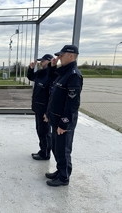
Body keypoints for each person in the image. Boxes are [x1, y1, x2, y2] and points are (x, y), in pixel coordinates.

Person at [44, 45, 83, 187]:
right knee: (56, 147)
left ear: (71, 56)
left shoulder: (73, 75)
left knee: (63, 149)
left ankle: (64, 177)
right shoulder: (64, 72)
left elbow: (72, 103)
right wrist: (52, 67)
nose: (59, 57)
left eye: (62, 55)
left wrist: (64, 123)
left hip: (63, 121)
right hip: (55, 118)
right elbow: (52, 81)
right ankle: (59, 170)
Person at [27, 54, 53, 160]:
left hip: (45, 110)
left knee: (45, 132)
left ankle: (45, 153)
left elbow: (52, 97)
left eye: (43, 61)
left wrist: (48, 112)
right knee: (40, 130)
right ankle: (42, 150)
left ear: (50, 62)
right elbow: (31, 77)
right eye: (40, 61)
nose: (41, 63)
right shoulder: (40, 73)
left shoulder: (51, 75)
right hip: (38, 108)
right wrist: (31, 68)